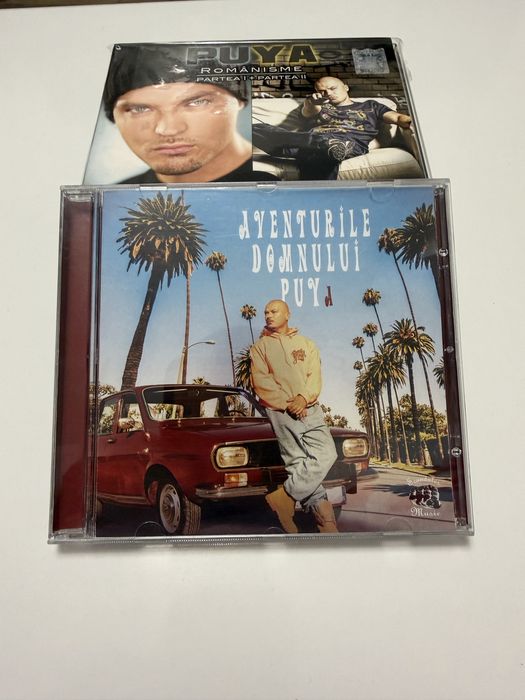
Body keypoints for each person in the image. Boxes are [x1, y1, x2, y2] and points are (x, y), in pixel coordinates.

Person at [102, 44, 276, 184]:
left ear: (239, 101)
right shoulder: (117, 200)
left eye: (197, 102)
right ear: (114, 116)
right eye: (140, 109)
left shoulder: (289, 180)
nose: (168, 130)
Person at [250, 299, 339, 534]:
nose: (269, 315)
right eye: (266, 312)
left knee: (327, 453)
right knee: (298, 463)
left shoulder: (307, 344)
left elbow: (314, 376)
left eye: (274, 311)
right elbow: (261, 382)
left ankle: (285, 496)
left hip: (310, 408)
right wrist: (287, 403)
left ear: (287, 314)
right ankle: (326, 523)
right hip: (281, 412)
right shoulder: (259, 348)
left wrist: (303, 398)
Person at [252, 74, 413, 179]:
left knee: (325, 148)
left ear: (346, 87)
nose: (328, 93)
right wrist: (313, 101)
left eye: (332, 88)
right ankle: (312, 144)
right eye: (322, 91)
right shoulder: (319, 105)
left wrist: (409, 121)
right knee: (255, 129)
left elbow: (397, 117)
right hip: (308, 143)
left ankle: (315, 146)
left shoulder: (370, 106)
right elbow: (309, 111)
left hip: (344, 142)